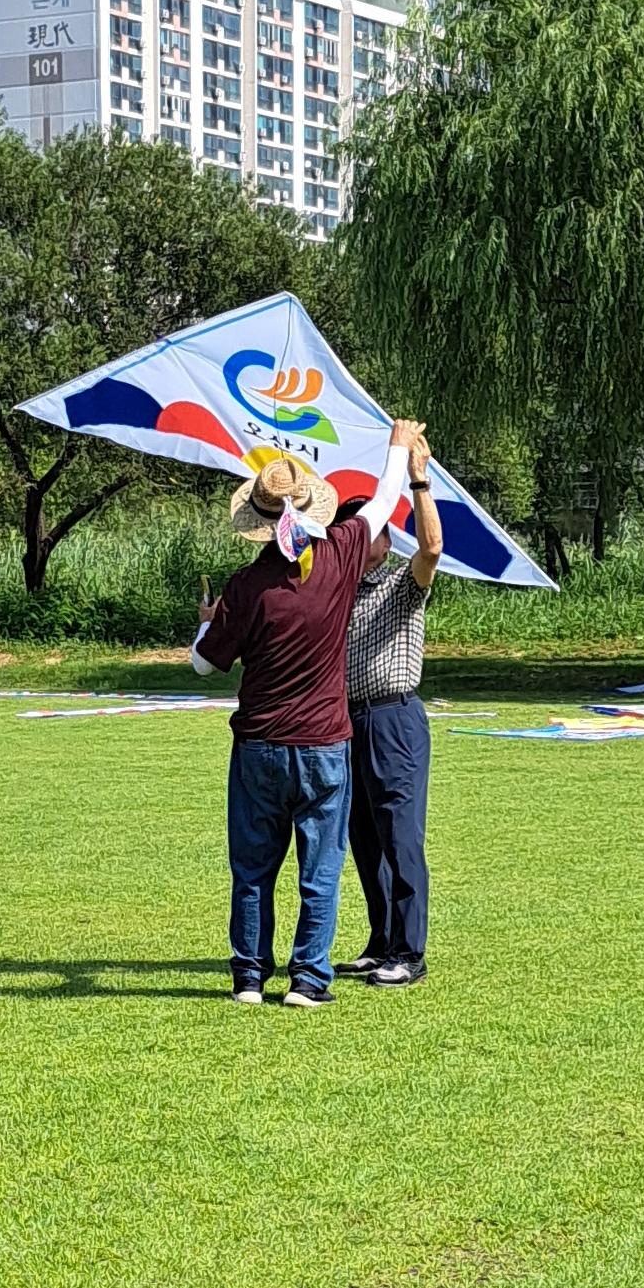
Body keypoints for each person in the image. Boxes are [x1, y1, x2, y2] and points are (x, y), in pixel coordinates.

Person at [191, 439, 410, 1004]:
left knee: (253, 869)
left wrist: (207, 624)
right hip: (324, 742)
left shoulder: (245, 586)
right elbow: (383, 502)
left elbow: (204, 665)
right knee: (321, 870)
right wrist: (398, 450)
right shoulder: (338, 557)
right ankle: (309, 978)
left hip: (259, 743)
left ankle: (249, 976)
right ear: (311, 505)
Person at [343, 417, 445, 987]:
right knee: (364, 837)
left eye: (375, 530)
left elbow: (432, 547)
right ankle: (381, 940)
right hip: (347, 720)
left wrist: (418, 481)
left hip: (392, 715)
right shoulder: (336, 593)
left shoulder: (401, 584)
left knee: (401, 835)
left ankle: (410, 952)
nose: (366, 539)